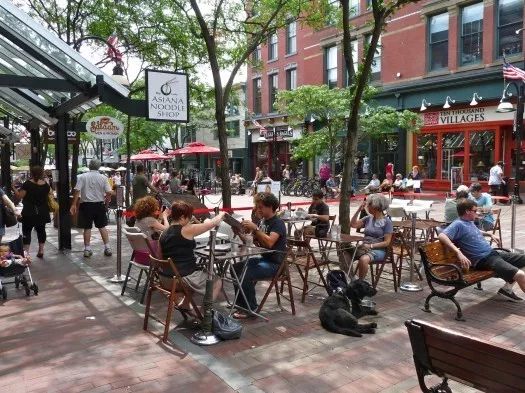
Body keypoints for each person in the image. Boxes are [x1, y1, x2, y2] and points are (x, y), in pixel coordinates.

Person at [438, 198, 525, 302]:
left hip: (493, 254)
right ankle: (508, 288)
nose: (477, 213)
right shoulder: (458, 224)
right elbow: (442, 235)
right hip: (483, 260)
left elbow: (474, 230)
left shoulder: (468, 222)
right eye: (475, 211)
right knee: (520, 275)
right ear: (467, 211)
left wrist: (489, 233)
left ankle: (507, 290)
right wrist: (458, 252)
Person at [159, 201, 225, 311]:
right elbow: (211, 224)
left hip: (164, 278)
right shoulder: (187, 229)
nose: (190, 220)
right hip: (180, 279)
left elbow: (160, 257)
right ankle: (206, 314)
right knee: (217, 281)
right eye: (189, 217)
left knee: (195, 272)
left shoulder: (163, 233)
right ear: (182, 217)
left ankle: (185, 304)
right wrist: (222, 214)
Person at [232, 192, 287, 318]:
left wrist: (256, 229)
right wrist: (239, 232)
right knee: (235, 268)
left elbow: (270, 243)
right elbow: (251, 243)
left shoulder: (278, 223)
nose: (258, 209)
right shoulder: (263, 221)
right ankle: (241, 304)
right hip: (265, 260)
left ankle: (250, 308)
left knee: (245, 274)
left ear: (271, 207)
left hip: (276, 265)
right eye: (257, 206)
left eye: (261, 207)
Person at [70, 159, 113, 258]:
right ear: (98, 167)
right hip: (99, 205)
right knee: (102, 226)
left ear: (89, 166)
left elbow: (77, 191)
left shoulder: (81, 177)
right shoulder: (103, 178)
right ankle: (107, 247)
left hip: (86, 205)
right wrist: (106, 204)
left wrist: (73, 204)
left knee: (87, 227)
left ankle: (87, 249)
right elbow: (109, 193)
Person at [347, 194, 393, 279]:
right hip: (364, 248)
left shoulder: (387, 222)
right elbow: (352, 224)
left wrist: (370, 246)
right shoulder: (368, 218)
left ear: (376, 206)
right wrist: (358, 210)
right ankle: (350, 278)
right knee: (345, 253)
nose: (367, 206)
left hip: (379, 250)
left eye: (369, 204)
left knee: (364, 259)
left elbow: (387, 242)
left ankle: (360, 283)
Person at [12, 165, 51, 258]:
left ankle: (27, 254)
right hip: (43, 211)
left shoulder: (27, 184)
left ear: (32, 173)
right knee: (41, 230)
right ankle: (41, 250)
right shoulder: (46, 185)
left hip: (29, 211)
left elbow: (20, 196)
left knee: (27, 231)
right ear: (41, 173)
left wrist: (13, 188)